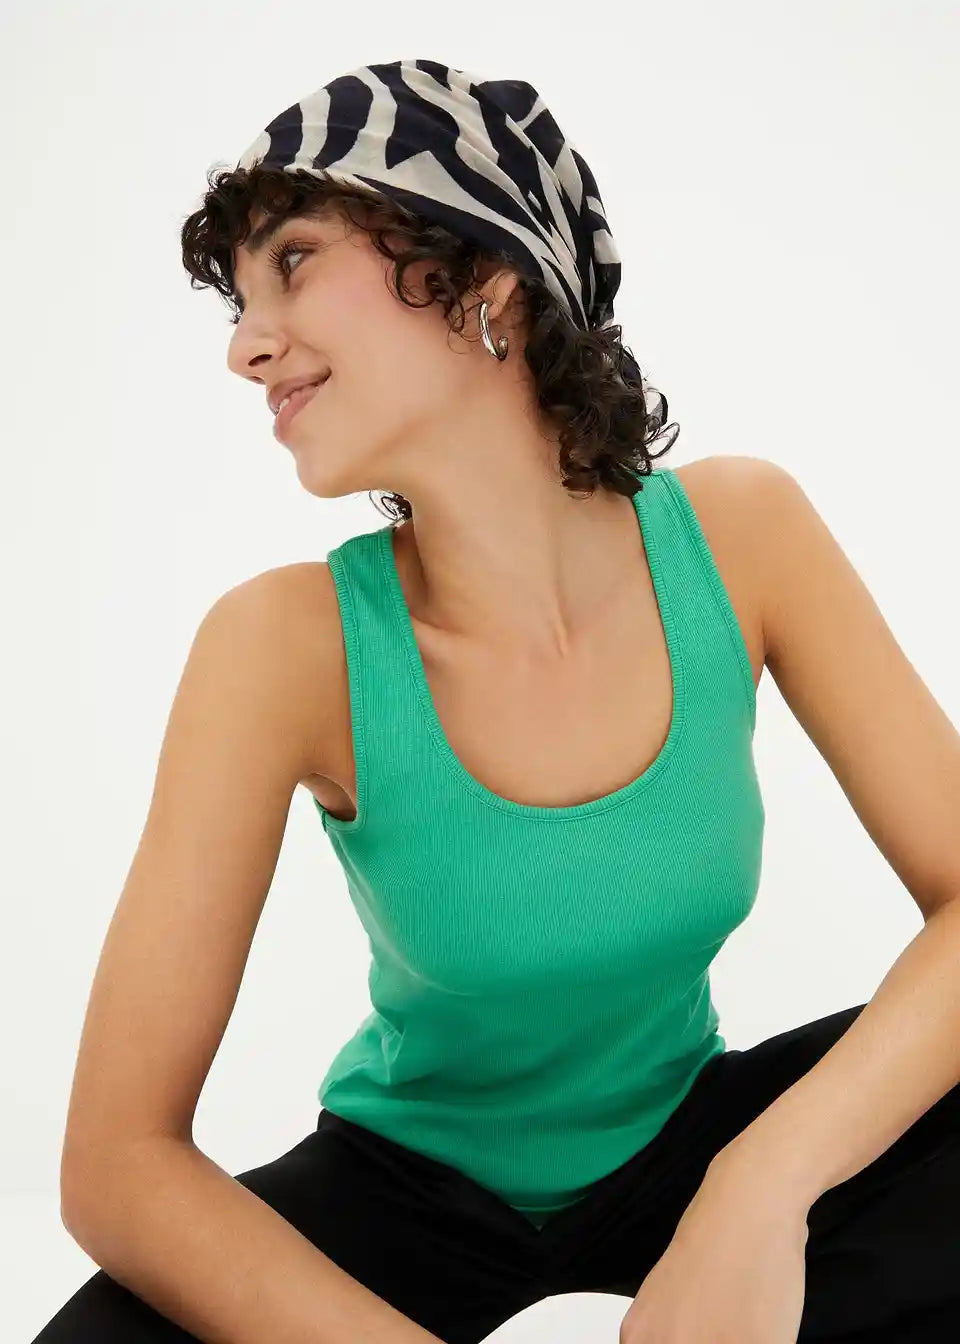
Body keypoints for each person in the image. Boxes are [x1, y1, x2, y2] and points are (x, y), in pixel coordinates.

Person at [31, 57, 960, 1344]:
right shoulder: (281, 646)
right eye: (240, 304)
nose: (246, 348)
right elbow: (119, 1162)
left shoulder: (744, 536)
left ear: (483, 274)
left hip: (690, 1147)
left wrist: (761, 1188)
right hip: (400, 1199)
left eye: (293, 261)